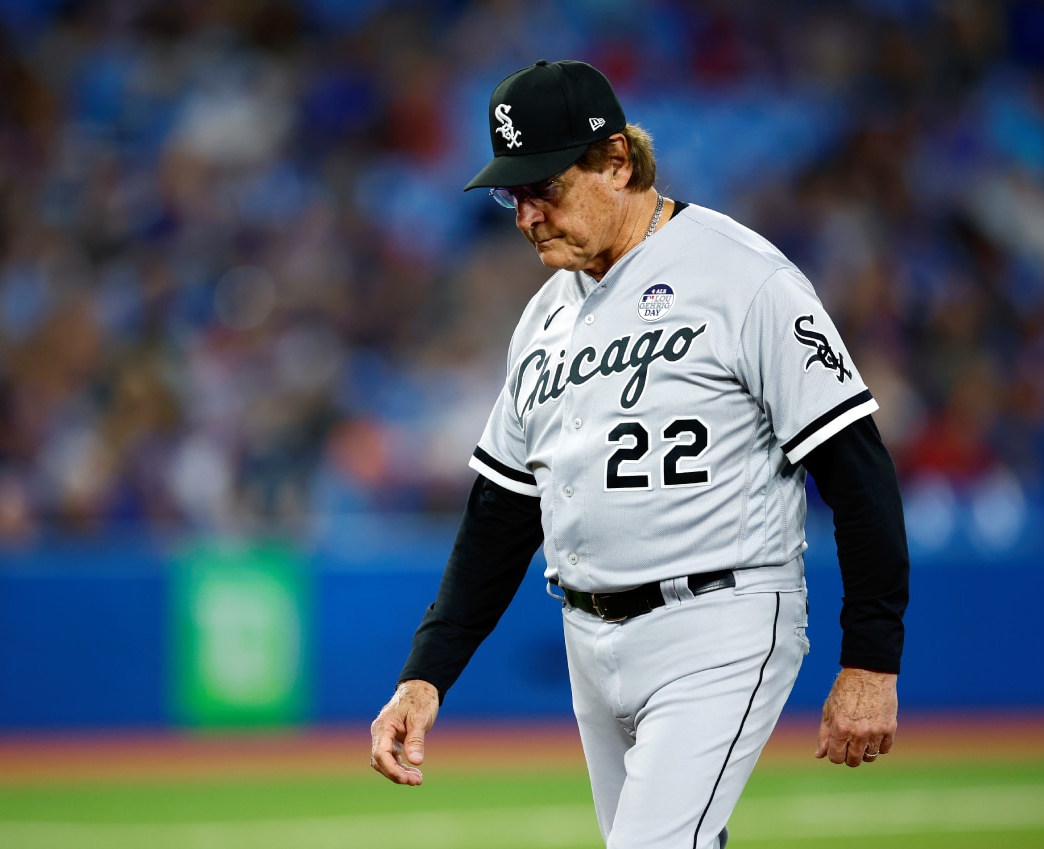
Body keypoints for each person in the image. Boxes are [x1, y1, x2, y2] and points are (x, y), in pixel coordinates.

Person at [370, 59, 909, 849]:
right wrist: (426, 673)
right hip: (588, 636)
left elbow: (855, 468)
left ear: (616, 161)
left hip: (721, 617)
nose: (526, 216)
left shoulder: (742, 278)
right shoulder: (545, 318)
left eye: (543, 188)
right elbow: (501, 512)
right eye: (511, 194)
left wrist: (871, 657)